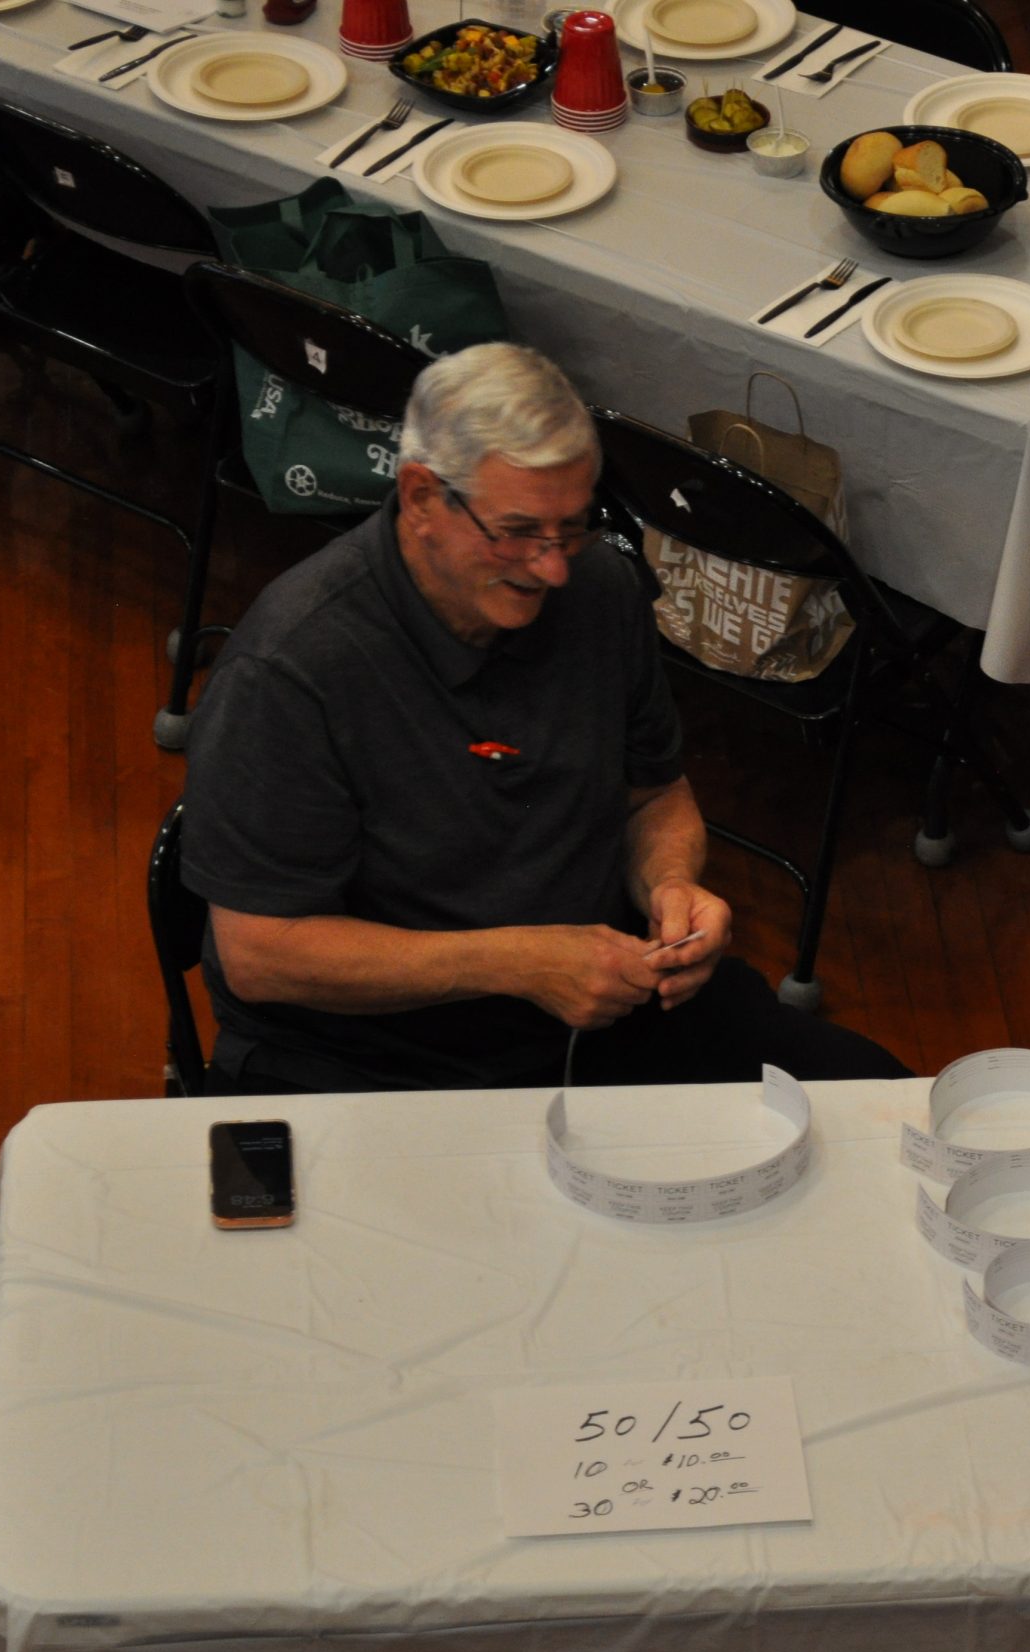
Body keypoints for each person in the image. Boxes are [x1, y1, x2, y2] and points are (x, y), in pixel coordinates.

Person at [179, 342, 907, 1094]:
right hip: (379, 1057)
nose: (553, 567)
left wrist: (668, 886)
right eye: (519, 531)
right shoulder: (292, 670)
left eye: (572, 526)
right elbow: (260, 954)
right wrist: (517, 963)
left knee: (878, 1098)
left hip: (595, 1004)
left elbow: (654, 794)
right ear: (422, 498)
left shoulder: (599, 586)